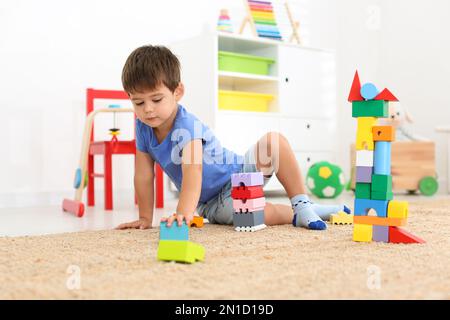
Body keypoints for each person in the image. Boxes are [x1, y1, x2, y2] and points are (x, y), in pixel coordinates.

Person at [116, 45, 349, 231]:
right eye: (138, 102)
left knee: (274, 142)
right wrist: (145, 217)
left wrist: (182, 213)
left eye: (156, 100)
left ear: (177, 92)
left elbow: (193, 171)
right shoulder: (143, 127)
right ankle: (304, 214)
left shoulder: (186, 126)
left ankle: (302, 203)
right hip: (213, 203)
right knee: (258, 216)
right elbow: (144, 175)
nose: (147, 109)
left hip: (239, 173)